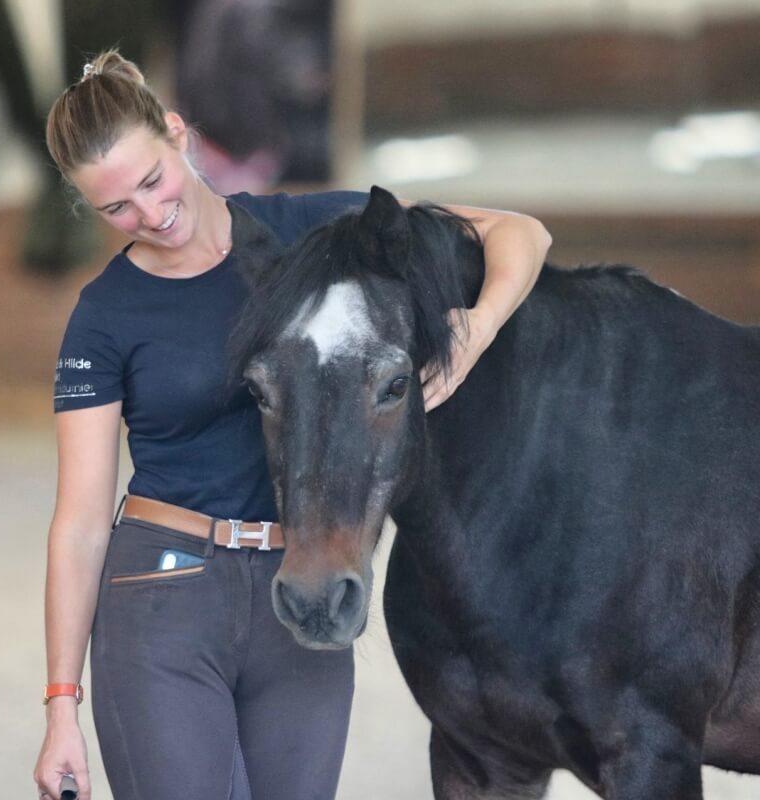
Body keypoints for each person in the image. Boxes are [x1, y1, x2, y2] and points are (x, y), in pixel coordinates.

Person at [32, 50, 552, 800]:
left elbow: (521, 233)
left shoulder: (318, 233)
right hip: (164, 595)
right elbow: (79, 525)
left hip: (300, 590)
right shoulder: (104, 316)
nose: (148, 215)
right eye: (116, 208)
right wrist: (60, 709)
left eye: (152, 181)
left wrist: (476, 329)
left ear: (178, 135)